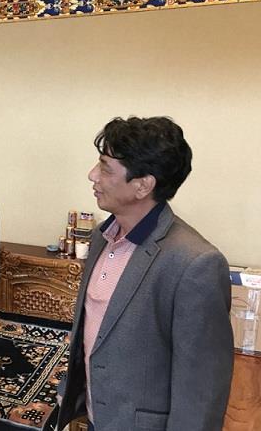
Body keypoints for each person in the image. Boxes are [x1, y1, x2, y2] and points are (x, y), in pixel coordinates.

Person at [56, 116, 234, 431]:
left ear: (142, 185)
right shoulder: (101, 237)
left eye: (105, 168)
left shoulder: (195, 264)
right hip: (98, 418)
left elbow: (202, 392)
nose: (92, 175)